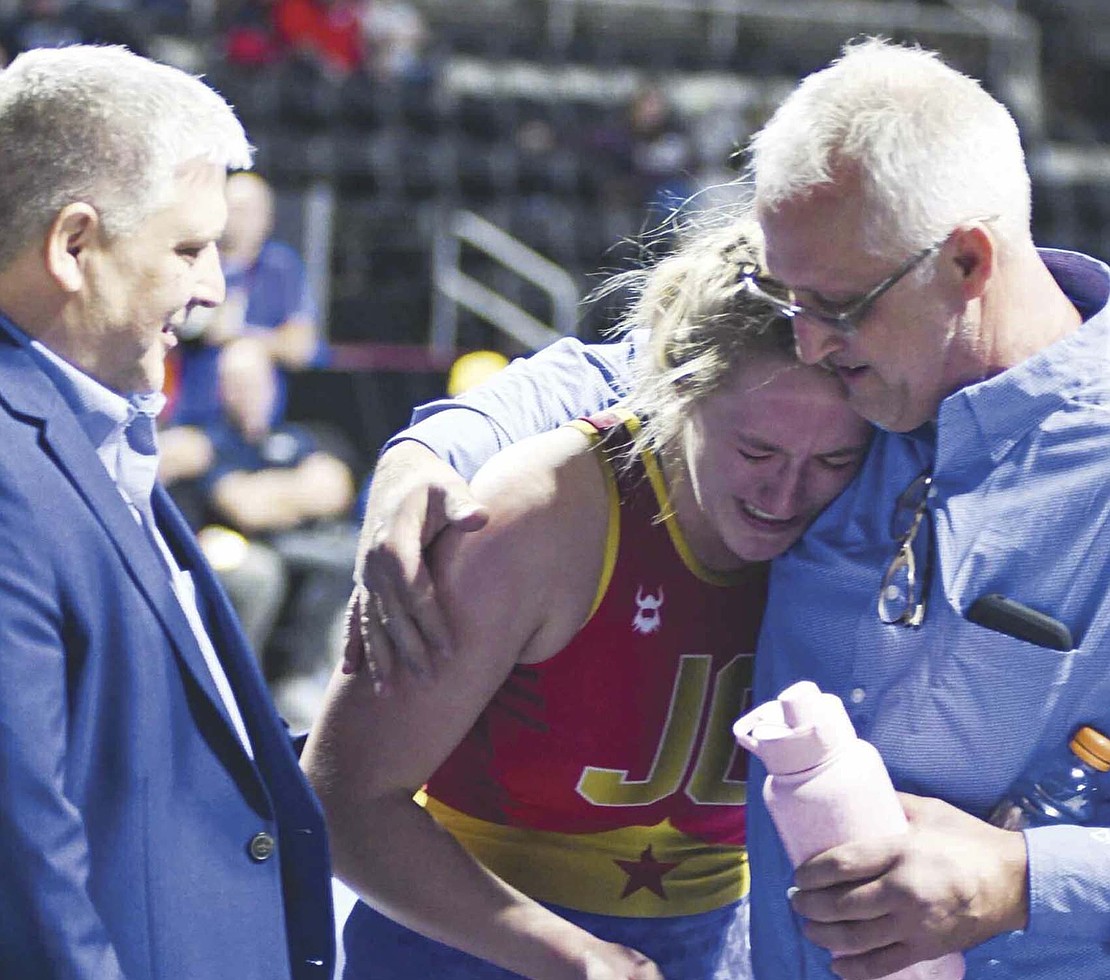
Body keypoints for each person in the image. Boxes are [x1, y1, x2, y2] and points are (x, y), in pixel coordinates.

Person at [348, 37, 1110, 980]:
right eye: (784, 297)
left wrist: (1030, 878)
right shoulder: (858, 372)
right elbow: (641, 367)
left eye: (831, 304)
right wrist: (426, 451)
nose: (807, 340)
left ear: (966, 261)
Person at [305, 220, 872, 979]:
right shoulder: (535, 514)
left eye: (833, 459)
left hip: (708, 947)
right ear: (676, 390)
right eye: (755, 452)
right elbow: (341, 798)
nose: (787, 494)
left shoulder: (870, 501)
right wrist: (568, 956)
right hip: (459, 953)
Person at [0, 45, 333, 978]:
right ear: (73, 246)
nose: (215, 290)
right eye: (190, 249)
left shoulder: (85, 427)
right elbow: (23, 867)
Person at [170, 169, 322, 428]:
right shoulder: (194, 258)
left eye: (246, 210)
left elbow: (301, 348)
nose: (235, 218)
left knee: (243, 357)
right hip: (194, 413)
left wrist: (238, 335)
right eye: (230, 207)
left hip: (259, 422)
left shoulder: (281, 266)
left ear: (267, 217)